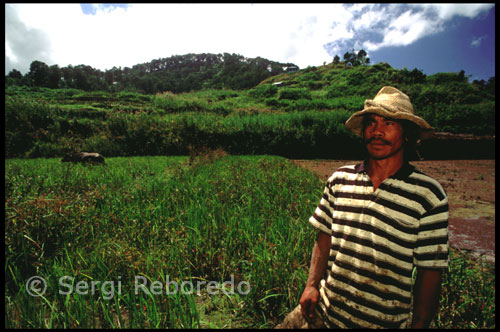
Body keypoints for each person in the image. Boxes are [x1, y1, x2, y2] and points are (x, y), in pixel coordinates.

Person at [276, 86, 449, 329]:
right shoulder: (339, 179)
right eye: (371, 122)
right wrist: (312, 285)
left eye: (388, 123)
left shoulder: (428, 195)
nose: (377, 131)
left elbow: (430, 270)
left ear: (407, 134)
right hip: (320, 315)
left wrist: (419, 324)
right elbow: (324, 235)